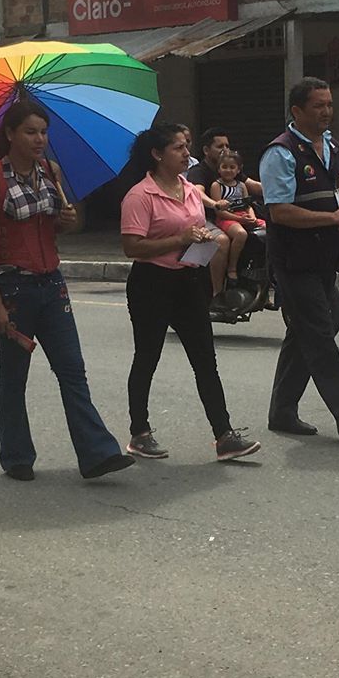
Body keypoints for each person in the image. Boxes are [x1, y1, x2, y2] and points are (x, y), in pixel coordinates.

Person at [0, 99, 134, 483]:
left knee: (72, 369)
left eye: (43, 132)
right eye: (30, 132)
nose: (39, 139)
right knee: (14, 375)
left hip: (52, 283)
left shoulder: (50, 172)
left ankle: (97, 453)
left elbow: (59, 227)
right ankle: (16, 456)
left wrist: (68, 220)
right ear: (10, 134)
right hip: (12, 287)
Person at [119, 123, 262, 463]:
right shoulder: (140, 195)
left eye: (187, 146)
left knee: (205, 360)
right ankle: (139, 432)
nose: (187, 153)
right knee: (147, 357)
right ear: (157, 154)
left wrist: (204, 236)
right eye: (179, 148)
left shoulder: (190, 189)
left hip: (189, 280)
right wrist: (179, 240)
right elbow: (132, 247)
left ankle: (224, 435)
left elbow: (199, 224)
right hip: (152, 283)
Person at [260, 78, 339, 446]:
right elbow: (279, 211)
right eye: (318, 105)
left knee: (314, 327)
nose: (326, 112)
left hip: (326, 256)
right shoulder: (281, 153)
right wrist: (332, 218)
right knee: (320, 336)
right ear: (297, 111)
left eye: (329, 104)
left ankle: (282, 411)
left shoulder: (332, 147)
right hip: (294, 260)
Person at [203, 146, 259, 300]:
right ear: (218, 168)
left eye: (232, 167)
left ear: (239, 169)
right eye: (224, 167)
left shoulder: (241, 185)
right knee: (240, 234)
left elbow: (248, 205)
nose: (228, 170)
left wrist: (252, 217)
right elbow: (219, 211)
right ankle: (232, 267)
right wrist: (240, 219)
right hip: (226, 218)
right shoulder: (217, 186)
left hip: (243, 216)